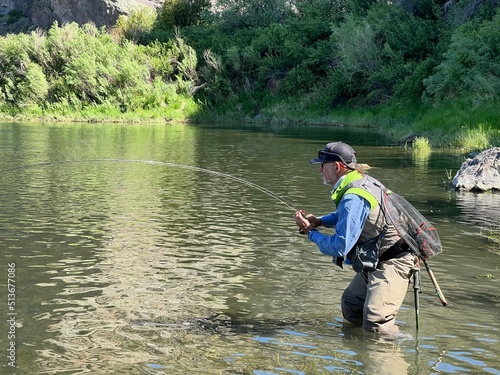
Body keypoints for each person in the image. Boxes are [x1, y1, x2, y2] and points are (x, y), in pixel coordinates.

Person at [295, 141, 414, 336]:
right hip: (379, 256)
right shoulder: (361, 181)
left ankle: (387, 356)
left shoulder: (354, 195)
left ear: (336, 167)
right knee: (352, 304)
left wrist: (311, 234)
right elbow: (350, 216)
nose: (320, 170)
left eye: (322, 165)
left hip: (394, 260)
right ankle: (361, 349)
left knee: (377, 321)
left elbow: (340, 246)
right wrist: (319, 221)